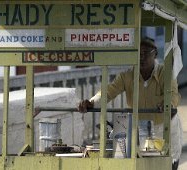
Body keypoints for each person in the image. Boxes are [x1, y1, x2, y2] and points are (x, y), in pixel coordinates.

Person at [78, 37, 183, 170]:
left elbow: (173, 94)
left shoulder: (165, 74)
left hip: (163, 127)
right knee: (143, 165)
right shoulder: (126, 76)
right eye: (138, 54)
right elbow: (109, 91)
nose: (142, 57)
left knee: (166, 164)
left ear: (155, 53)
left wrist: (167, 103)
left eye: (146, 53)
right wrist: (91, 102)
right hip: (140, 129)